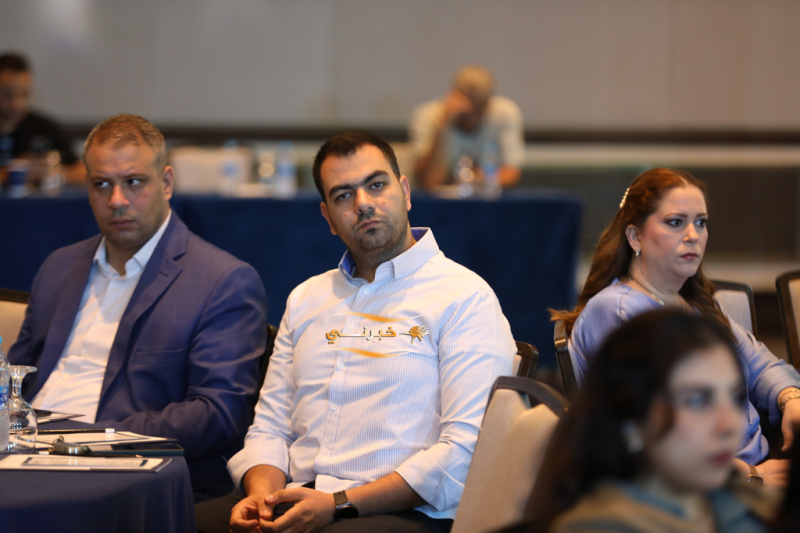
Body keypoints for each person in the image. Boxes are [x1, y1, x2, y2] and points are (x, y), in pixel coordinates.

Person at [195, 131, 516, 533]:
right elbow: (270, 427)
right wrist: (262, 497)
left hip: (403, 511)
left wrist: (338, 505)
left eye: (376, 185)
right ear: (328, 217)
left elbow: (465, 451)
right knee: (170, 520)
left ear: (405, 192)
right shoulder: (307, 298)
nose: (363, 203)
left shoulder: (463, 297)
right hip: (295, 498)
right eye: (343, 195)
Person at [8, 113, 268, 500]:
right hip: (21, 455)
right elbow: (14, 378)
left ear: (166, 183)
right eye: (102, 184)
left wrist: (89, 439)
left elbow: (218, 413)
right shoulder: (59, 267)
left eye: (133, 182)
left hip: (122, 472)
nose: (117, 200)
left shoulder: (222, 280)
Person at [550, 168, 800, 487]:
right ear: (635, 236)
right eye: (675, 222)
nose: (693, 235)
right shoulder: (618, 310)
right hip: (698, 489)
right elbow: (659, 432)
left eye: (701, 222)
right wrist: (750, 476)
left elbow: (760, 364)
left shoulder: (694, 302)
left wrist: (790, 398)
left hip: (756, 464)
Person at [520, 310, 782, 533]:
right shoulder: (602, 526)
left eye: (735, 398)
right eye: (697, 401)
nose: (730, 426)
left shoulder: (738, 503)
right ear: (631, 422)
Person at [409, 65, 524, 191]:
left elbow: (511, 174)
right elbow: (430, 181)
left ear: (488, 103)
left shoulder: (504, 113)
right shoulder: (427, 116)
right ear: (451, 97)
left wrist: (473, 178)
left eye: (477, 111)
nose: (471, 119)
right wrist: (442, 127)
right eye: (465, 112)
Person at [0, 52, 85, 185]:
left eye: (24, 93)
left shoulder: (44, 128)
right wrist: (12, 174)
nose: (16, 103)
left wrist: (54, 173)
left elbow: (83, 172)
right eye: (7, 94)